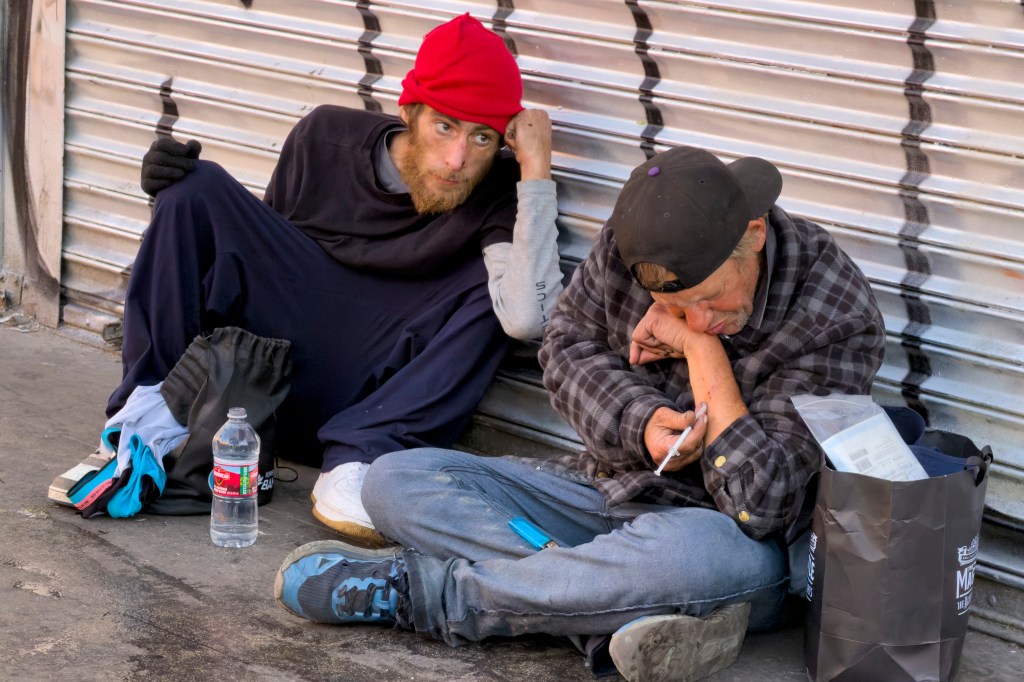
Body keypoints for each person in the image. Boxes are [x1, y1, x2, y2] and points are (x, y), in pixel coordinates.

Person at [271, 145, 887, 680]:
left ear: (752, 233)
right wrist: (639, 423)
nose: (694, 317)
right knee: (396, 479)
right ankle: (596, 616)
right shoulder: (633, 241)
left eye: (706, 300)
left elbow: (763, 504)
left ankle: (436, 596)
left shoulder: (834, 310)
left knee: (699, 561)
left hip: (724, 537)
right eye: (669, 306)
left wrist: (704, 352)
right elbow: (565, 348)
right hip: (603, 495)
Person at [106, 14, 563, 542]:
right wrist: (171, 195)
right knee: (195, 186)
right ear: (410, 110)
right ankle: (147, 423)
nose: (457, 158)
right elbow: (260, 268)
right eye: (444, 126)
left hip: (376, 405)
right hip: (264, 394)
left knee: (497, 299)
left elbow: (529, 318)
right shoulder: (324, 137)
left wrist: (536, 169)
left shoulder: (501, 191)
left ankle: (355, 465)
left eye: (482, 138)